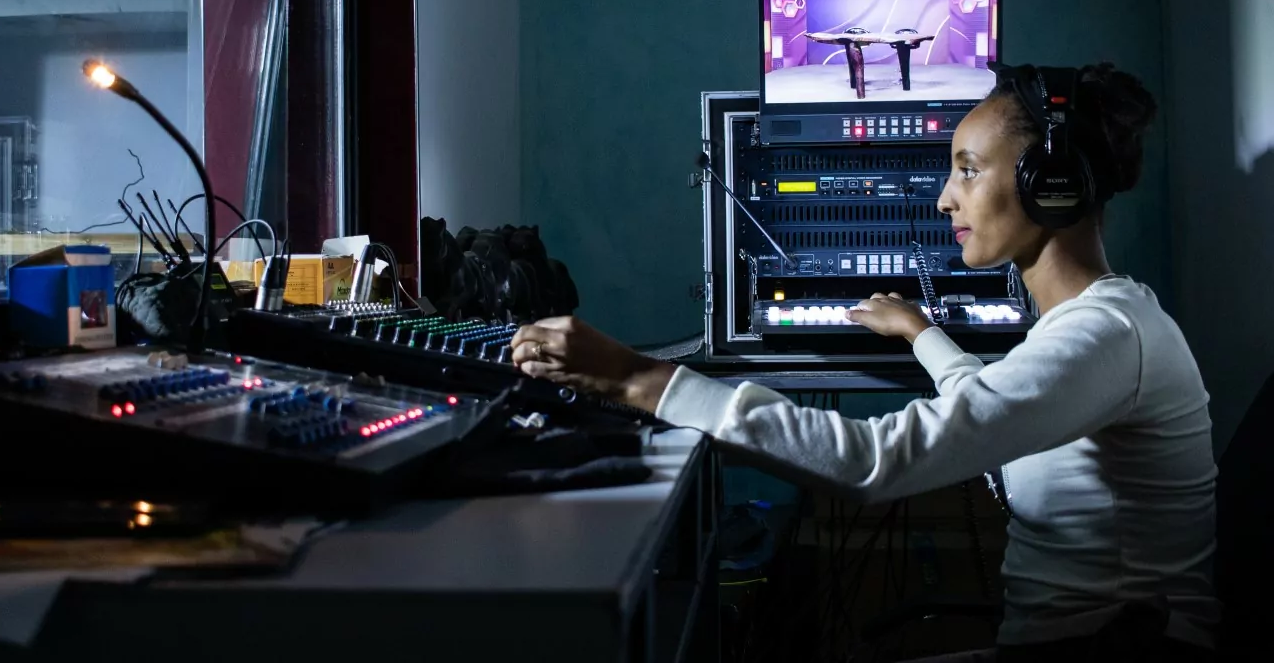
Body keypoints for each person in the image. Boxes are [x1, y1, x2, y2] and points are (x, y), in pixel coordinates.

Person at [509, 63, 1219, 661]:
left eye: (967, 171)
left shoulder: (1104, 337)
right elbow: (993, 405)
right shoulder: (1097, 327)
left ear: (1050, 181)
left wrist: (637, 378)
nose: (945, 199)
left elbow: (877, 461)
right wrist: (921, 332)